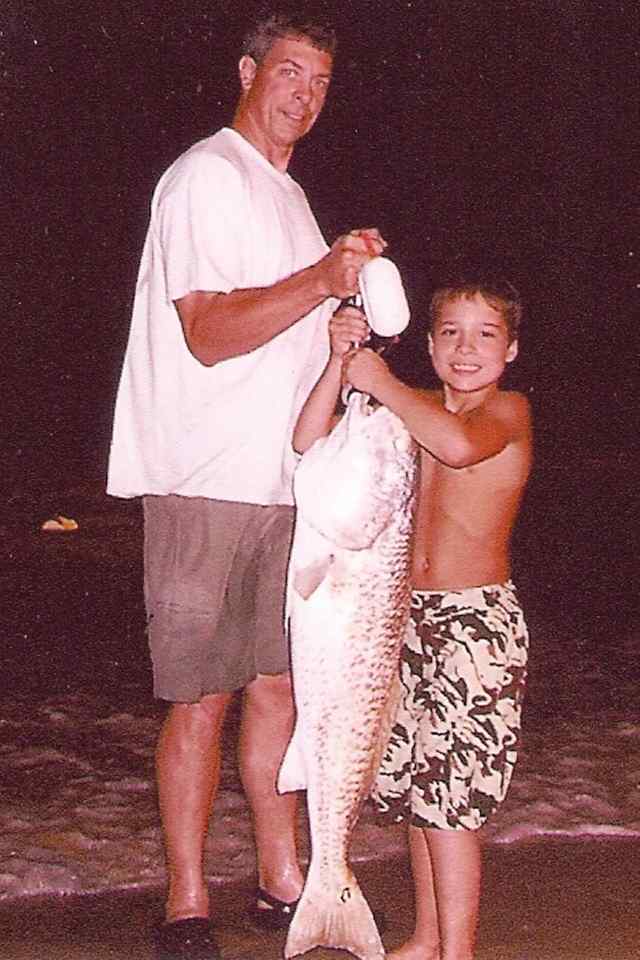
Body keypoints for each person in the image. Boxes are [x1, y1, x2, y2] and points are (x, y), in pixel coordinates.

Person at [107, 10, 386, 960]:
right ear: (247, 70)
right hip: (203, 479)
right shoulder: (205, 176)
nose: (304, 94)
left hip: (288, 485)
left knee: (279, 688)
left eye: (321, 82)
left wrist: (344, 337)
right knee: (201, 696)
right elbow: (210, 333)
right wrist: (317, 282)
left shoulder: (294, 200)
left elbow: (298, 337)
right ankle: (186, 898)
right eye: (291, 72)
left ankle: (280, 875)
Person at [293, 278, 532, 960]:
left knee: (454, 803)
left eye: (486, 335)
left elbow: (457, 447)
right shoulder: (415, 407)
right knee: (418, 791)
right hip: (401, 618)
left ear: (511, 350)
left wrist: (382, 383)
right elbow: (311, 438)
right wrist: (342, 364)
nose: (466, 348)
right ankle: (427, 939)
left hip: (475, 625)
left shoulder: (506, 412)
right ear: (427, 345)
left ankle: (457, 953)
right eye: (450, 333)